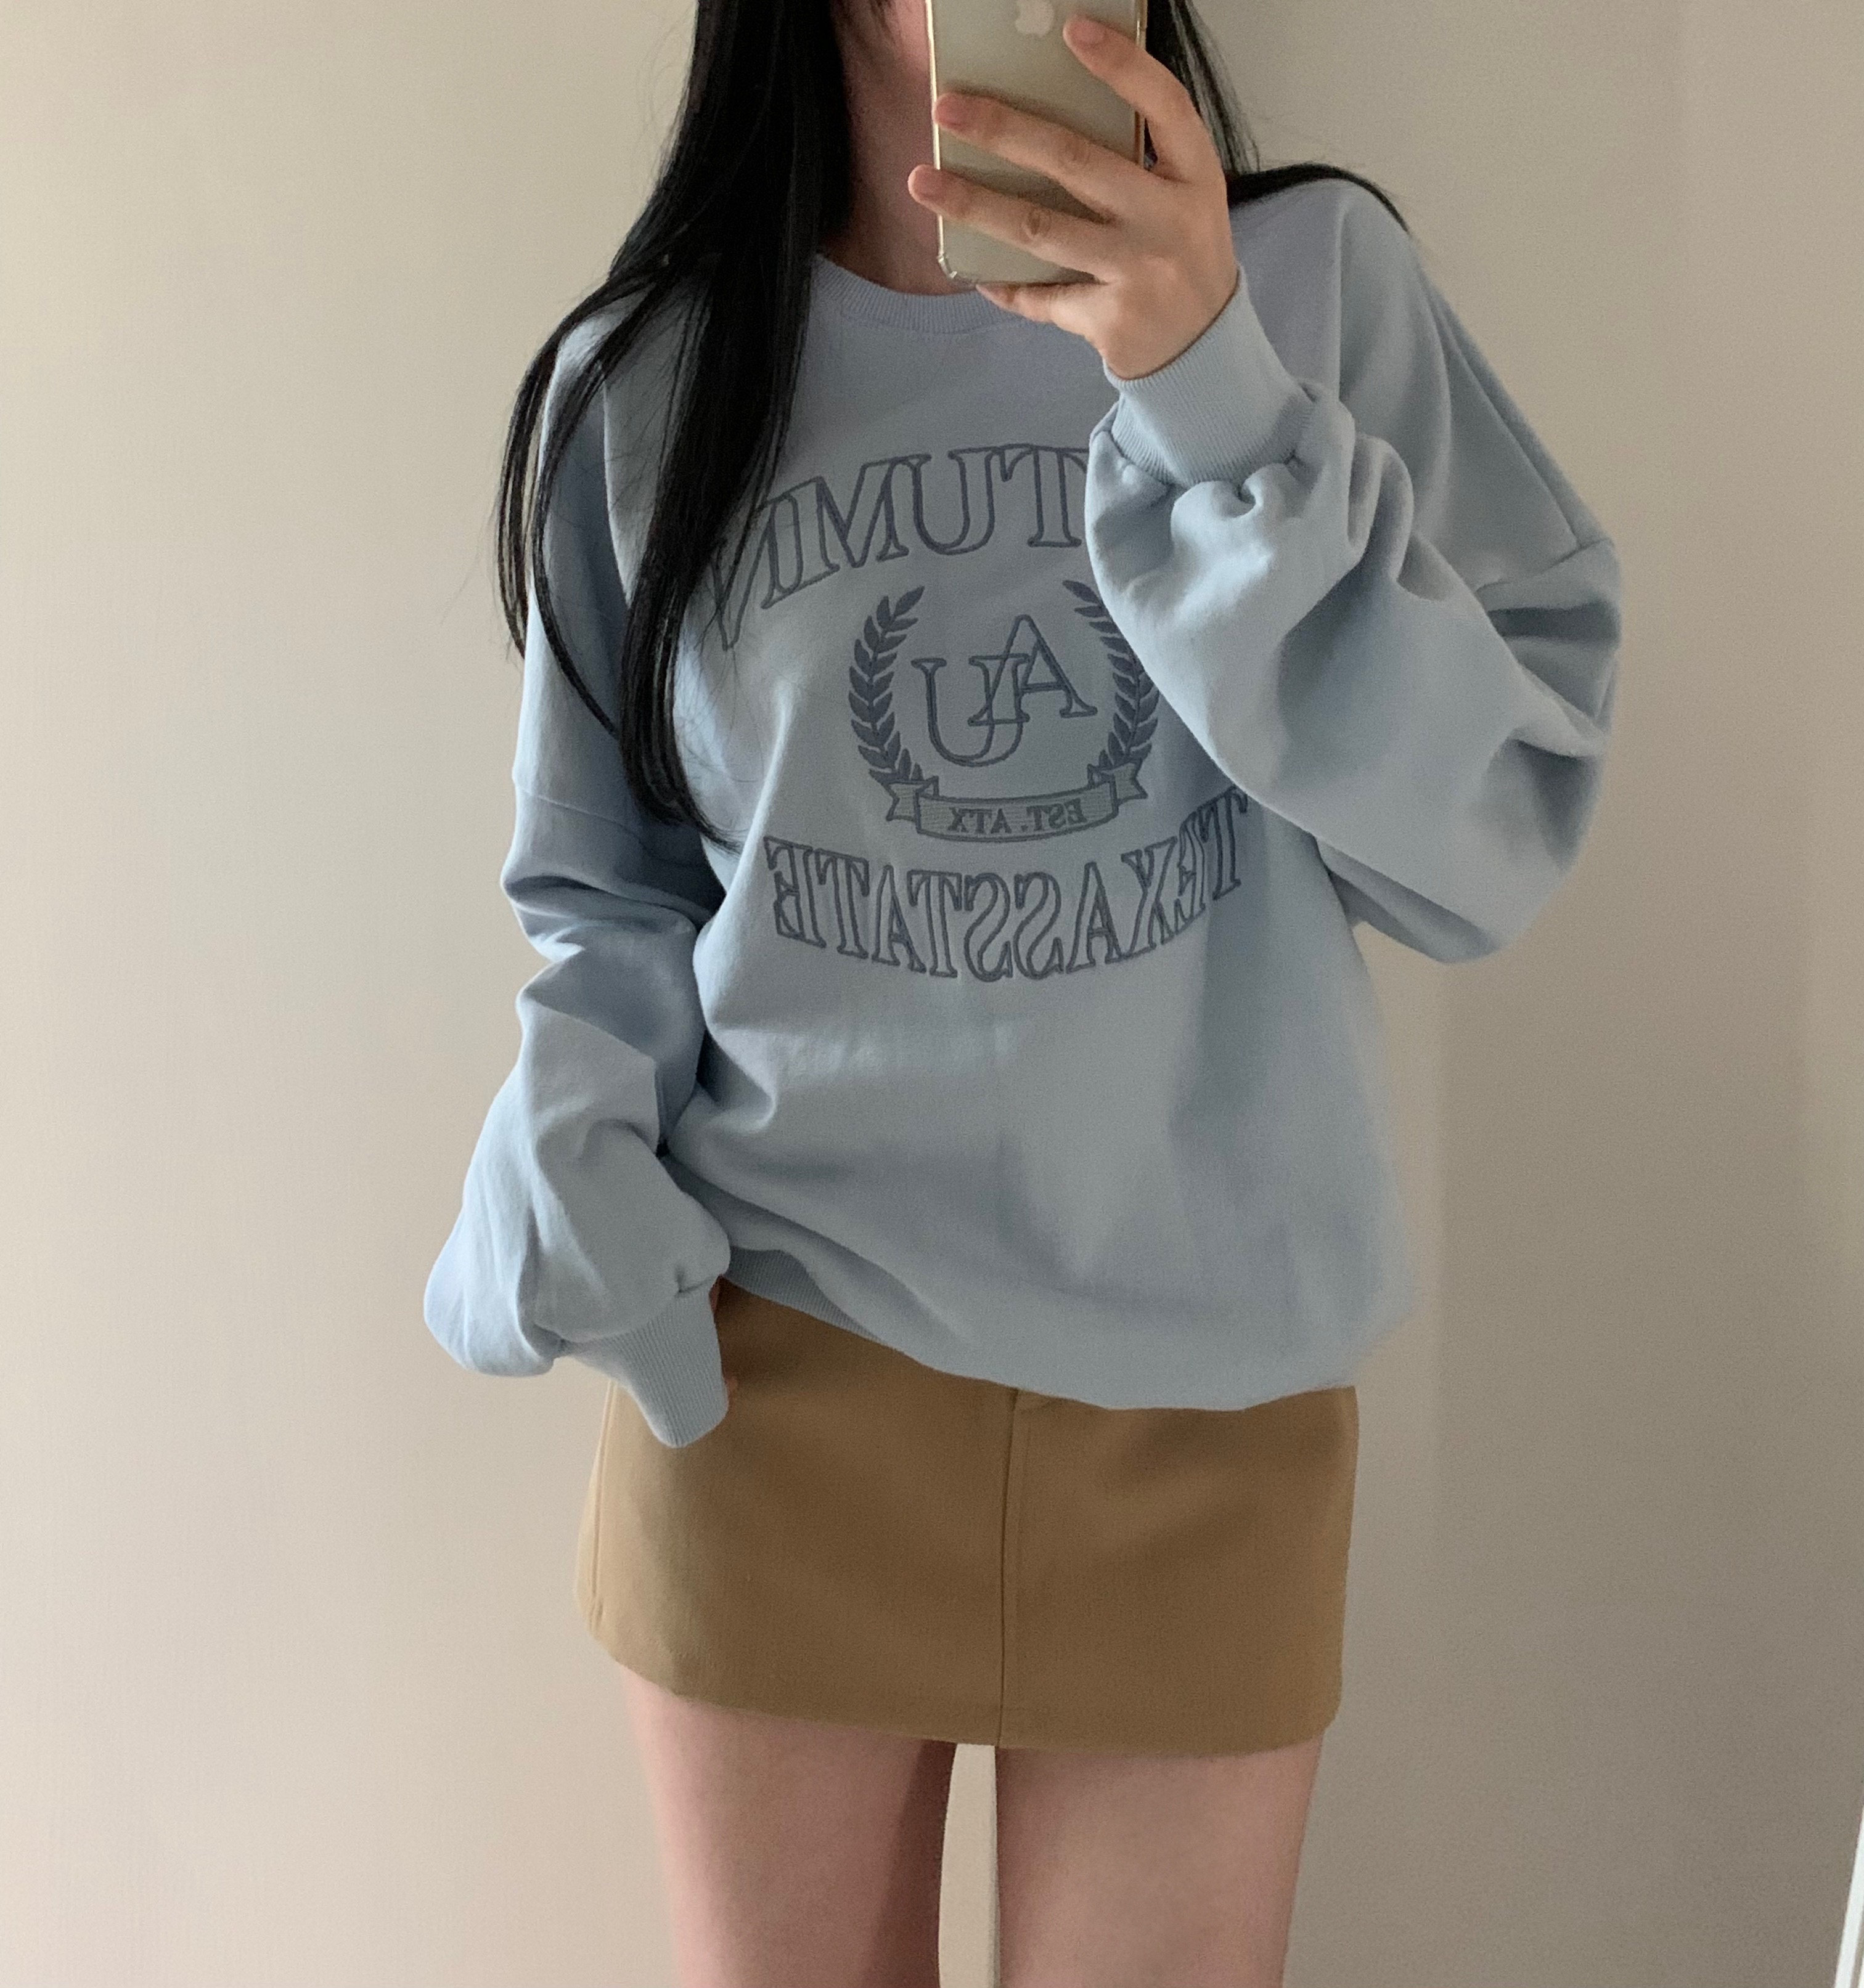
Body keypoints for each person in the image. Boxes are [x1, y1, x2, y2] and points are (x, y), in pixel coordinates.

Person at [423, 0, 1623, 1980]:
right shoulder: (648, 377)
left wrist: (1215, 391)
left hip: (1206, 1403)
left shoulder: (1319, 290)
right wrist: (581, 1120)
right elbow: (607, 884)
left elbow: (1489, 836)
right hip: (773, 1375)